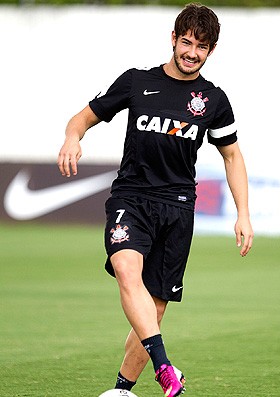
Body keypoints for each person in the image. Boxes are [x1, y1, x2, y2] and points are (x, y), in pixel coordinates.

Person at [57, 3, 254, 396]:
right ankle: (165, 367)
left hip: (178, 207)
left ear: (211, 50)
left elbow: (232, 155)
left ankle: (121, 390)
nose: (192, 52)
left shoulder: (214, 100)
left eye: (201, 46)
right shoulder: (136, 82)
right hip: (132, 198)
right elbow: (82, 117)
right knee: (128, 271)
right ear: (173, 39)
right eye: (186, 42)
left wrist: (243, 214)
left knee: (154, 310)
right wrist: (72, 138)